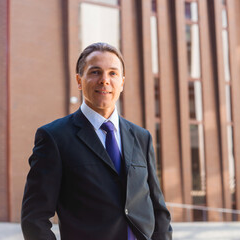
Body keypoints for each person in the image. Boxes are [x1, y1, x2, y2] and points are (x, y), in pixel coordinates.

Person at [21, 42, 172, 240]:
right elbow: (34, 219)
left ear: (122, 82)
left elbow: (157, 207)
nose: (104, 80)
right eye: (95, 72)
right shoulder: (54, 138)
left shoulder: (141, 137)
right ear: (79, 80)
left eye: (113, 73)